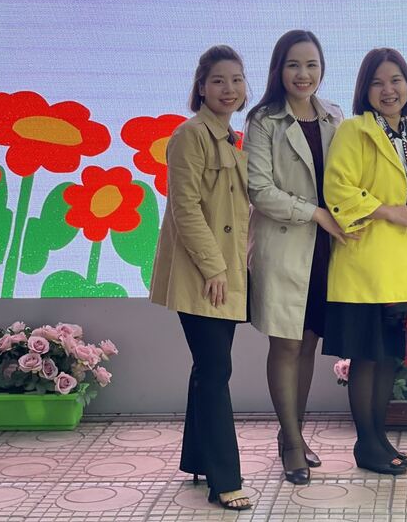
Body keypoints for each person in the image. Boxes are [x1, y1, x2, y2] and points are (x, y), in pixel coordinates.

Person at [323, 48, 407, 475]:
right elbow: (337, 188)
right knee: (367, 357)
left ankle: (378, 438)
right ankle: (366, 443)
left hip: (405, 262)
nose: (388, 90)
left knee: (389, 355)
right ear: (364, 89)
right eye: (377, 82)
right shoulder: (355, 130)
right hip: (366, 260)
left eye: (396, 80)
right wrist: (388, 211)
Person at [149, 45, 251, 511]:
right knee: (215, 371)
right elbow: (184, 208)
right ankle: (224, 480)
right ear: (201, 87)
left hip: (226, 272)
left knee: (209, 367)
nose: (229, 89)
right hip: (204, 274)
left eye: (236, 79)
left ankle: (198, 459)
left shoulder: (231, 138)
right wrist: (214, 268)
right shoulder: (190, 135)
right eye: (218, 81)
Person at [244, 30, 348, 485]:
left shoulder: (334, 116)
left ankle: (295, 433)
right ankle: (289, 441)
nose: (303, 74)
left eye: (311, 65)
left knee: (307, 343)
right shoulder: (263, 120)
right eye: (293, 65)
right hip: (285, 245)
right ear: (278, 69)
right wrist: (316, 213)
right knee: (285, 344)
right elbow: (259, 189)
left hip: (326, 250)